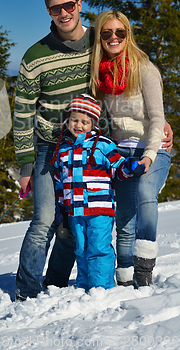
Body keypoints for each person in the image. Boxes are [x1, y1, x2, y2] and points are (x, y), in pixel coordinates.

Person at [13, 0, 109, 301]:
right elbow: (23, 112)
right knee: (44, 219)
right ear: (49, 12)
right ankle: (27, 292)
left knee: (74, 221)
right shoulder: (35, 56)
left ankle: (54, 285)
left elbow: (130, 69)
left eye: (69, 5)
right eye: (57, 8)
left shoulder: (99, 43)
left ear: (79, 5)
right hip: (47, 149)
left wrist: (158, 118)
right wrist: (26, 165)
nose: (64, 13)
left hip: (85, 149)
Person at [91, 10, 171, 288]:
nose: (114, 38)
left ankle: (144, 270)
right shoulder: (99, 75)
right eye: (107, 33)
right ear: (100, 37)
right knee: (124, 215)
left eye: (120, 33)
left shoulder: (144, 69)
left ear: (128, 35)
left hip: (154, 147)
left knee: (145, 192)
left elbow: (157, 118)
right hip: (121, 152)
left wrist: (149, 154)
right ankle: (124, 275)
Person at [51, 93, 144, 291]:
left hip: (99, 209)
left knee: (99, 248)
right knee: (81, 249)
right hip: (75, 211)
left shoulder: (103, 145)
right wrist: (60, 208)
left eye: (85, 122)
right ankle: (86, 286)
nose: (78, 125)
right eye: (74, 119)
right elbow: (60, 182)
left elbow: (117, 167)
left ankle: (102, 288)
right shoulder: (62, 150)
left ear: (93, 123)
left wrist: (129, 166)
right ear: (67, 121)